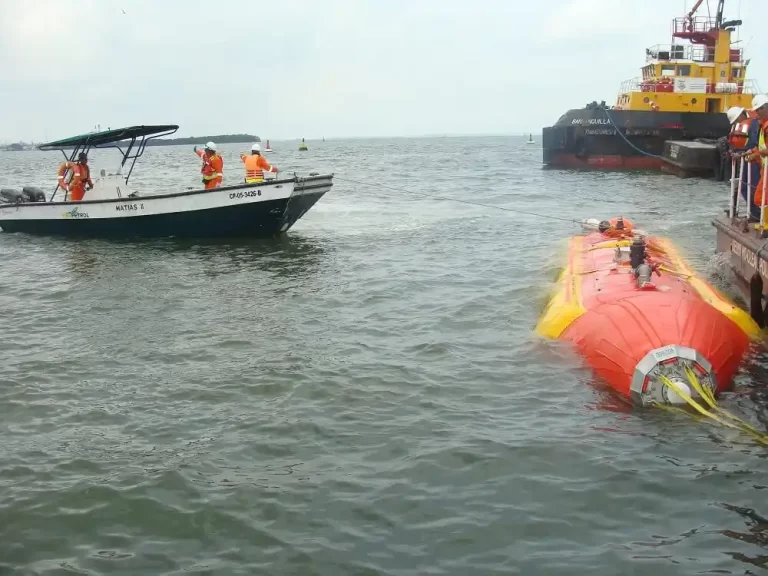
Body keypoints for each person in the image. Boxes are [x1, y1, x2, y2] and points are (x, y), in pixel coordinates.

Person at [745, 94, 768, 219]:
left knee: (761, 197)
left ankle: (765, 224)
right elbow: (763, 146)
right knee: (761, 197)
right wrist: (752, 151)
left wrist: (756, 154)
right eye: (757, 110)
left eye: (760, 109)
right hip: (765, 167)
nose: (758, 113)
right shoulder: (763, 125)